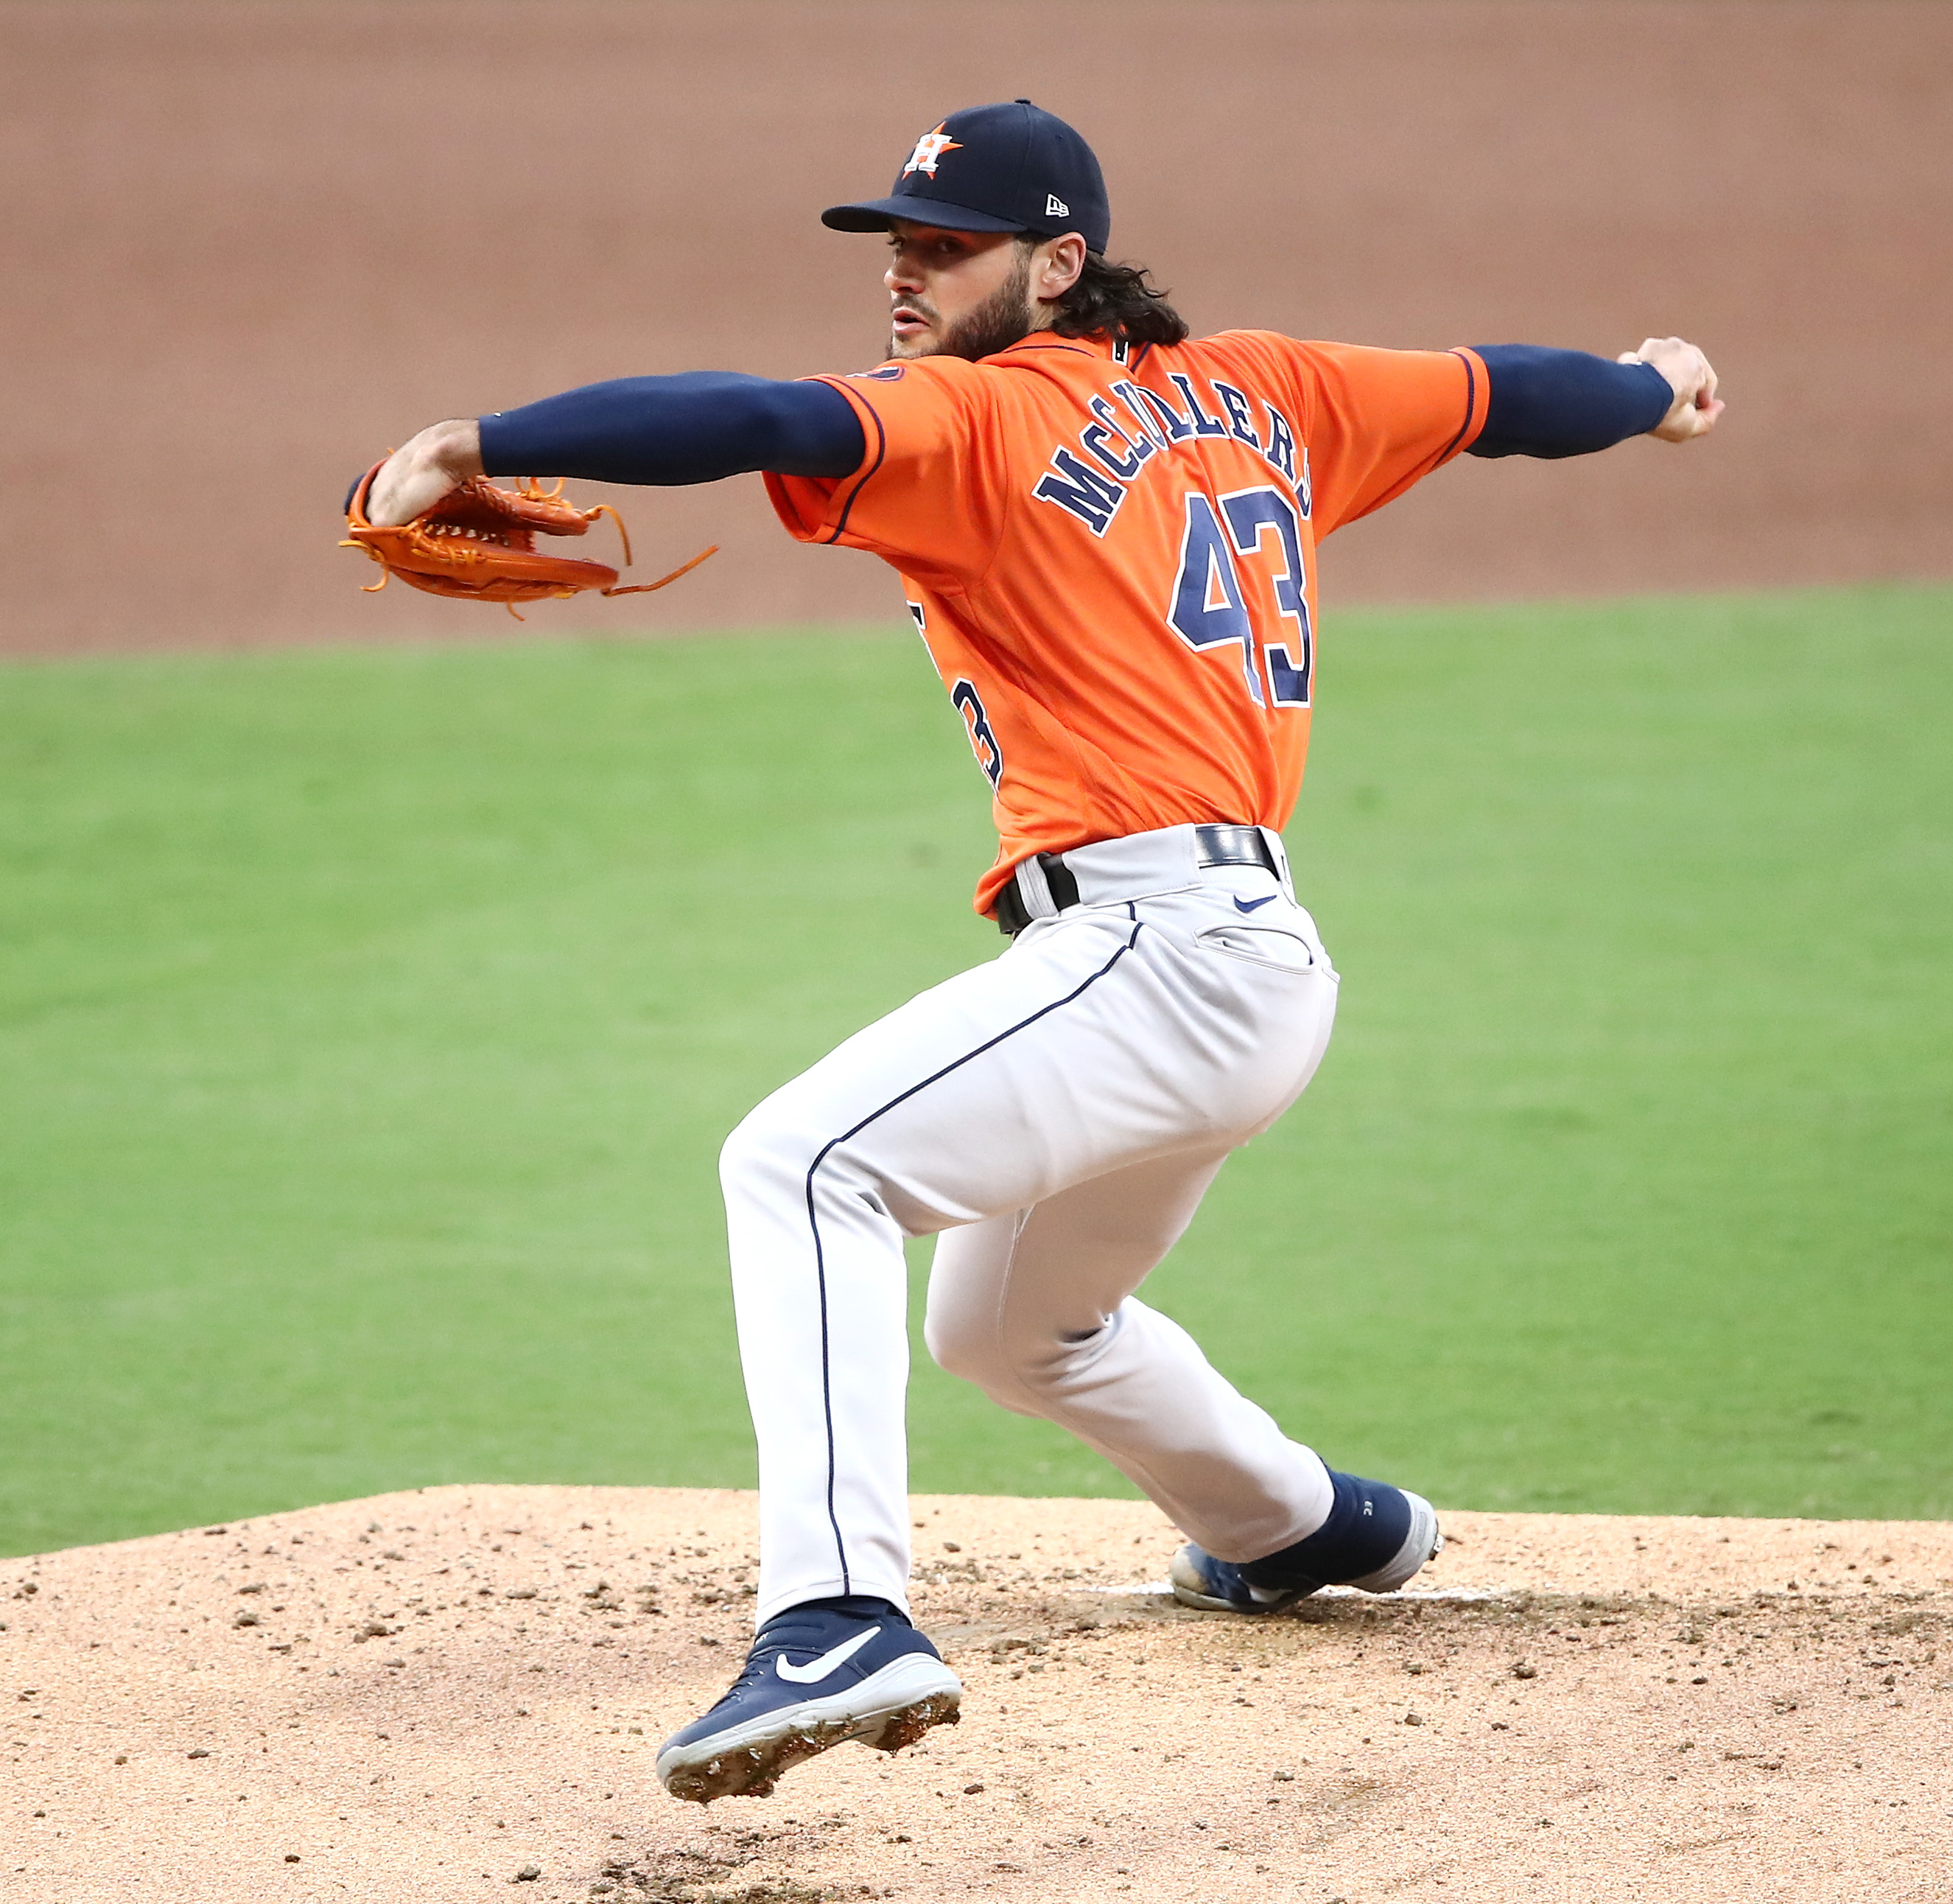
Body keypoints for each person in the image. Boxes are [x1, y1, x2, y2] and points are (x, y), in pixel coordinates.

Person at [360, 99, 1722, 1805]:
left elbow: (761, 414)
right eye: (898, 247)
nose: (907, 277)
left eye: (947, 247)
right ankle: (1296, 1523)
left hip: (1154, 951)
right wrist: (1652, 388)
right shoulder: (1268, 388)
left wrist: (478, 429)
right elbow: (1501, 394)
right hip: (1254, 967)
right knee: (1011, 1329)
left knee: (799, 1165)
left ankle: (840, 1612)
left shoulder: (985, 417)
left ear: (1058, 262)